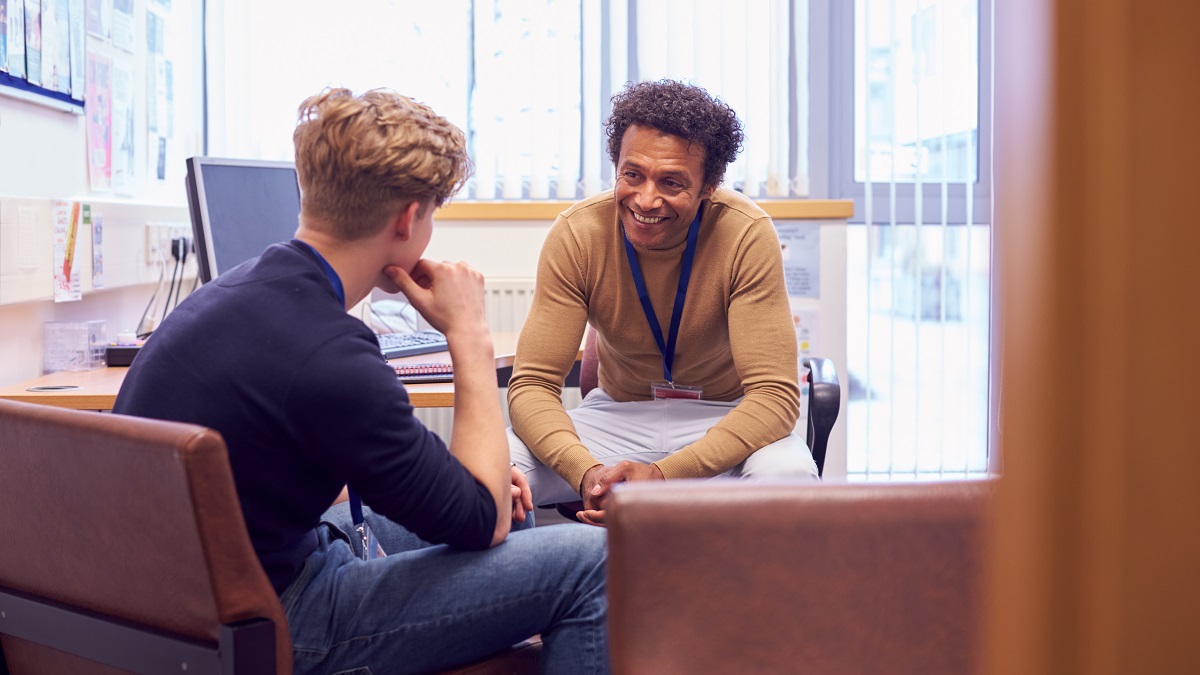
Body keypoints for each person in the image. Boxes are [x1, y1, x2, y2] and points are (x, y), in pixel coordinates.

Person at [114, 88, 608, 674]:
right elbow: (480, 521)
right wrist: (469, 336)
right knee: (596, 559)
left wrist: (481, 494)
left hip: (177, 604)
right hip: (276, 624)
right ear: (408, 219)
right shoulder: (331, 355)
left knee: (513, 507)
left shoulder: (234, 292)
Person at [507, 79, 818, 526]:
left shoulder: (746, 234)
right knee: (492, 469)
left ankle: (746, 598)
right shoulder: (578, 233)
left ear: (709, 185)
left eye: (671, 182)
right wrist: (588, 474)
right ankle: (543, 590)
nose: (646, 199)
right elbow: (532, 386)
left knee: (789, 479)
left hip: (723, 418)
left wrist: (665, 475)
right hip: (616, 418)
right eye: (632, 174)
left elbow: (774, 398)